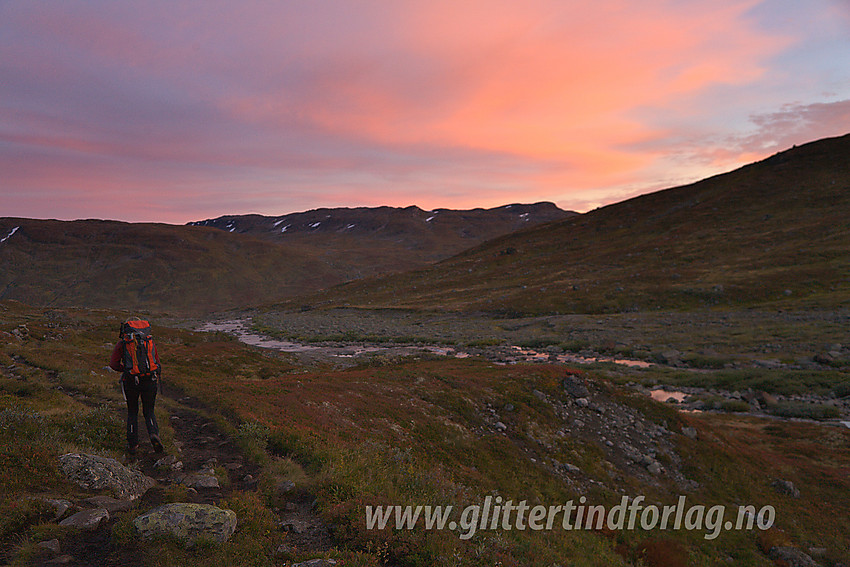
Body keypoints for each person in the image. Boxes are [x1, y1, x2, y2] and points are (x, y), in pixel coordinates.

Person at [109, 319, 163, 455]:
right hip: (150, 379)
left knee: (132, 411)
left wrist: (127, 370)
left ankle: (133, 444)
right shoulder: (149, 341)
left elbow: (113, 364)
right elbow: (156, 361)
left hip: (131, 381)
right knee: (149, 410)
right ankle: (154, 435)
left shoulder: (123, 343)